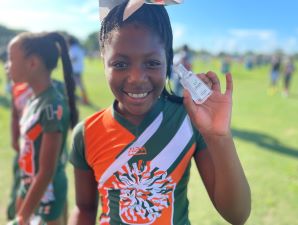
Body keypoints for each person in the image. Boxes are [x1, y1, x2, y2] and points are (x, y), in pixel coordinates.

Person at [68, 1, 251, 225]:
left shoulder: (188, 121)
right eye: (120, 64)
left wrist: (219, 137)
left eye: (152, 62)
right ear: (103, 60)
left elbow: (237, 214)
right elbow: (84, 209)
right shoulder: (86, 133)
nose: (136, 78)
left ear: (168, 61)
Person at [6, 31, 78, 225]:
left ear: (32, 63)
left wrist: (22, 217)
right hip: (28, 184)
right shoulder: (33, 99)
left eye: (11, 59)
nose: (7, 66)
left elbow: (46, 171)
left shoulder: (52, 106)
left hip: (48, 193)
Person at [67, 36, 89, 105]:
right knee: (77, 85)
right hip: (78, 69)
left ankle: (83, 99)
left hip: (74, 70)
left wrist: (68, 61)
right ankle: (82, 99)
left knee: (76, 85)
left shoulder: (73, 49)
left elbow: (73, 59)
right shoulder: (78, 48)